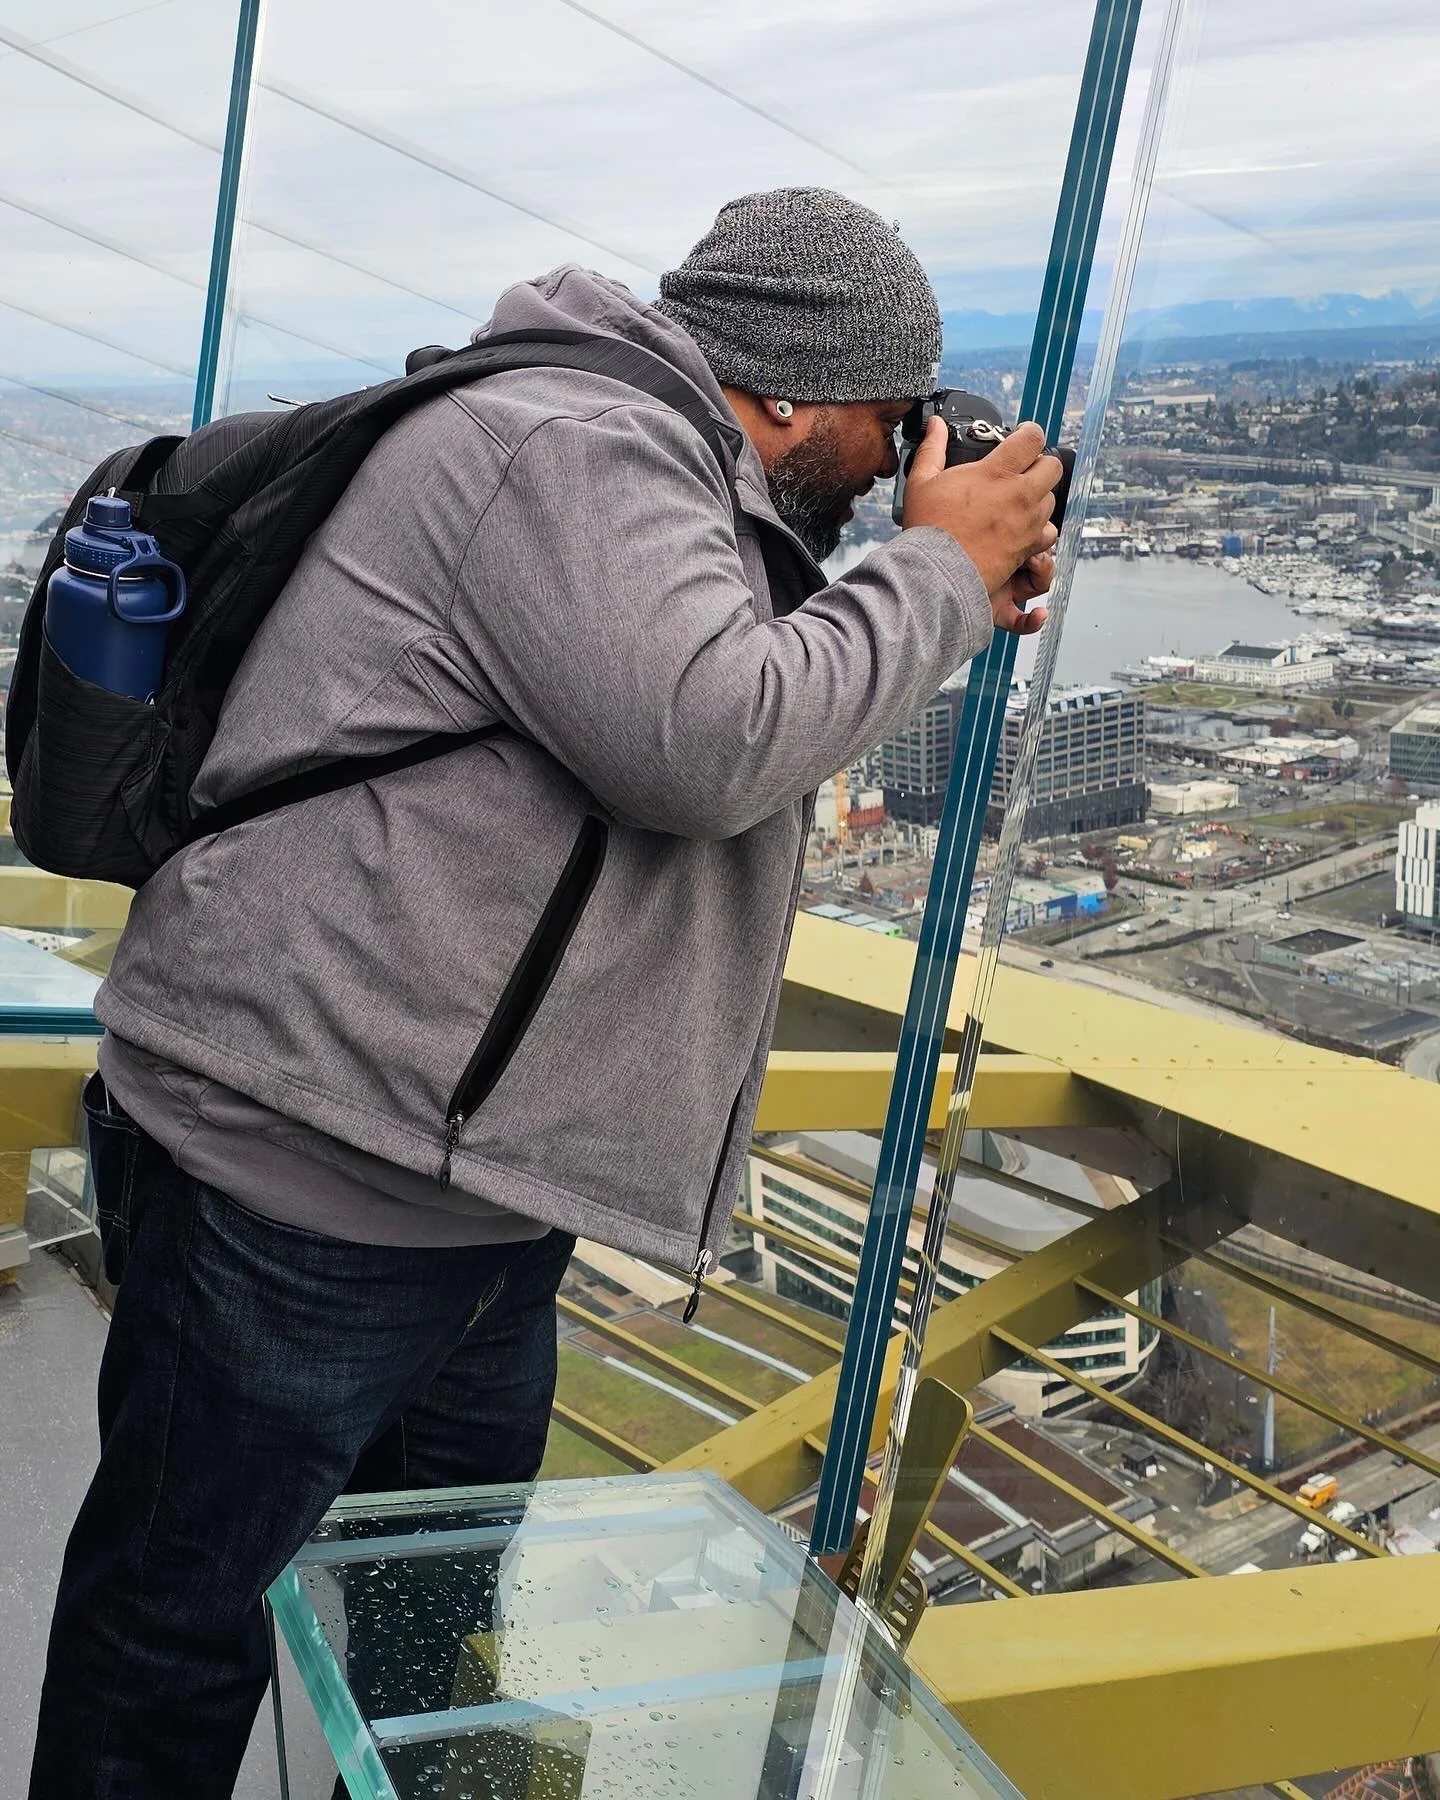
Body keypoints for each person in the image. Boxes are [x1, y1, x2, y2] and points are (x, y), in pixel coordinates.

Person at [29, 186, 1058, 1799]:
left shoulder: (673, 492)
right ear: (791, 384)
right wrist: (934, 575)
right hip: (298, 1166)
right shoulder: (570, 448)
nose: (895, 457)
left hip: (465, 1183)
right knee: (176, 1630)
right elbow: (711, 743)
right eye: (890, 415)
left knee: (430, 1635)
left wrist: (932, 587)